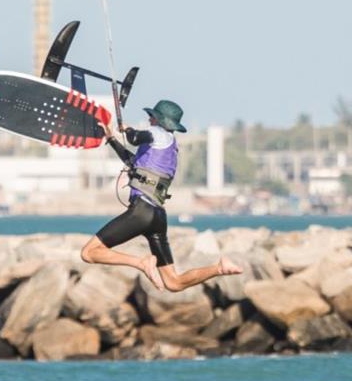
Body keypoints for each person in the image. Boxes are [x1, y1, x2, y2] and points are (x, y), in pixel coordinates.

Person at [81, 99, 243, 291]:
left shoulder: (159, 133)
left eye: (152, 116)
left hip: (142, 211)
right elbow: (132, 161)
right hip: (157, 216)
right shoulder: (167, 147)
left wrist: (125, 129)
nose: (149, 119)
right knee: (174, 283)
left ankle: (141, 263)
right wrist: (111, 139)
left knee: (89, 253)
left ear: (160, 121)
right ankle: (219, 268)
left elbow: (134, 138)